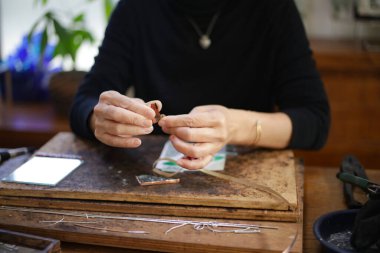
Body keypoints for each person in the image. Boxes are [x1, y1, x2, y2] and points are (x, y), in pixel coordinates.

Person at [70, 0, 330, 170]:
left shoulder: (274, 9)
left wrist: (235, 126)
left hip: (248, 177)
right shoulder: (136, 8)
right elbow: (86, 102)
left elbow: (314, 121)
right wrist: (102, 118)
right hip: (153, 176)